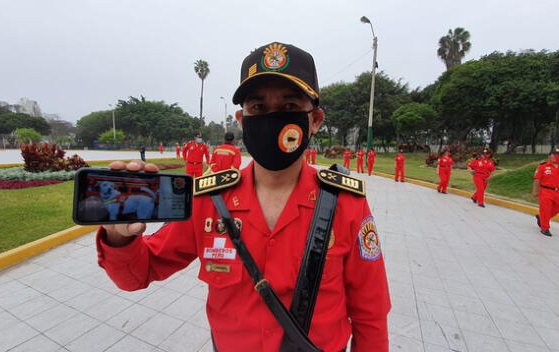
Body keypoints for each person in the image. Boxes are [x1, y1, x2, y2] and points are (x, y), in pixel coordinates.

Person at [95, 42, 390, 352]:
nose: (271, 117)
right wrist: (119, 238)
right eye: (258, 108)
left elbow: (371, 312)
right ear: (241, 119)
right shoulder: (209, 199)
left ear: (314, 120)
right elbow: (138, 273)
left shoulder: (345, 201)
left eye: (289, 107)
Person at [532, 149, 559, 236]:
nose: (556, 156)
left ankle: (541, 218)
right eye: (554, 154)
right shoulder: (543, 166)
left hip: (558, 191)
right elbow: (537, 179)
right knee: (545, 209)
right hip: (545, 191)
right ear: (550, 155)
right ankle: (545, 228)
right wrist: (535, 191)